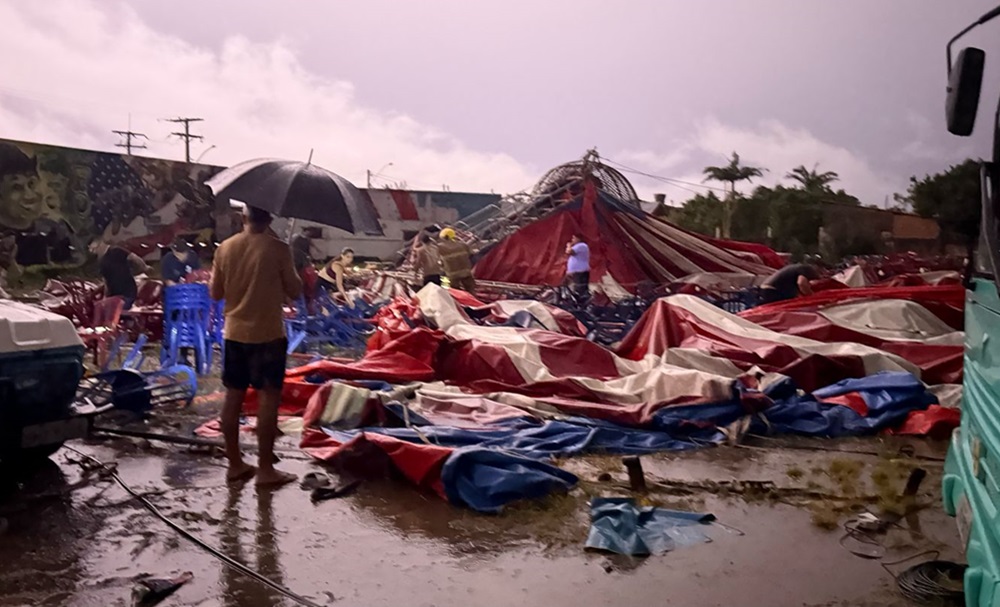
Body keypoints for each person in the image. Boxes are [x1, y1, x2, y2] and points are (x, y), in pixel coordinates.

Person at [210, 205, 302, 487]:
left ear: (243, 217)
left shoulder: (225, 248)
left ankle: (235, 464)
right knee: (268, 399)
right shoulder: (278, 249)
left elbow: (215, 293)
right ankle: (265, 469)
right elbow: (295, 290)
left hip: (234, 333)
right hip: (268, 335)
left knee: (233, 397)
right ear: (270, 218)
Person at [90, 240, 150, 309]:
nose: (94, 252)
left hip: (126, 294)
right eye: (92, 251)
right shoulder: (101, 261)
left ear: (100, 245)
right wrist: (105, 298)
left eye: (94, 249)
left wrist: (144, 267)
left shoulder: (116, 251)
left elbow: (134, 258)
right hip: (114, 296)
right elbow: (106, 282)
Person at [436, 227, 476, 292]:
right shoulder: (463, 245)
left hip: (451, 275)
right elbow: (471, 255)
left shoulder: (440, 247)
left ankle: (446, 295)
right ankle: (473, 300)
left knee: (449, 290)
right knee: (471, 291)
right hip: (466, 272)